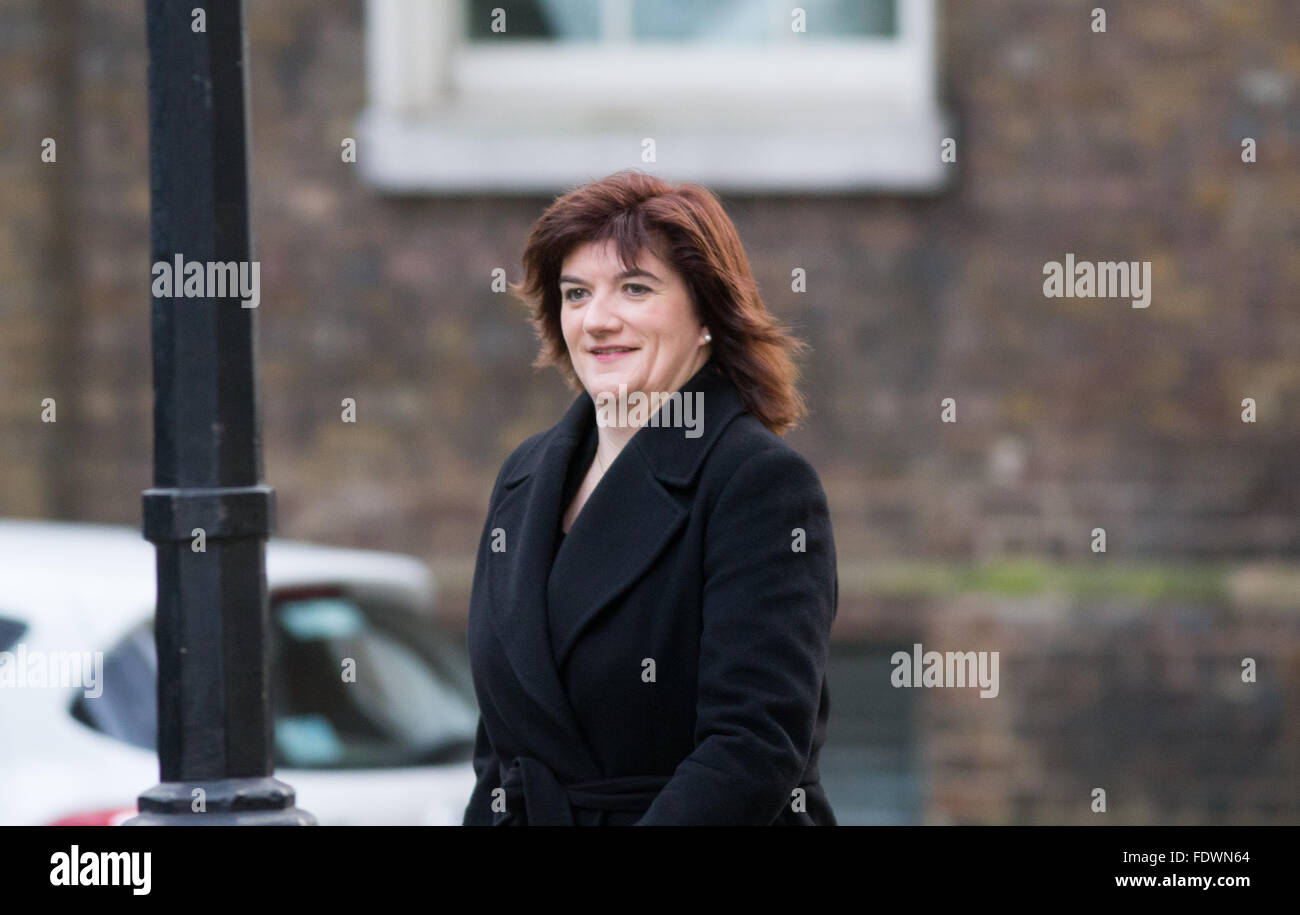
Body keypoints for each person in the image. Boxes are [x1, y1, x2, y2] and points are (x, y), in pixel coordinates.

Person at [462, 169, 838, 825]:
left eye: (635, 288)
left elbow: (752, 749)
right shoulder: (524, 476)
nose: (599, 319)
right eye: (576, 293)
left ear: (706, 315)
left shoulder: (758, 484)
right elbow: (499, 753)